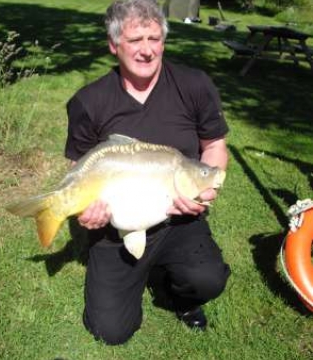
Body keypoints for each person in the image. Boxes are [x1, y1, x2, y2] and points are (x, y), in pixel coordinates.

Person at [65, 0, 230, 345]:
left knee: (207, 279)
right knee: (110, 331)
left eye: (154, 38)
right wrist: (86, 210)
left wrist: (207, 189)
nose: (146, 50)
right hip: (117, 226)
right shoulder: (88, 101)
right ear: (114, 45)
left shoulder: (194, 84)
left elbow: (214, 145)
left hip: (179, 219)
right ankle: (141, 270)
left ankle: (181, 298)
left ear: (164, 41)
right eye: (135, 40)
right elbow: (78, 171)